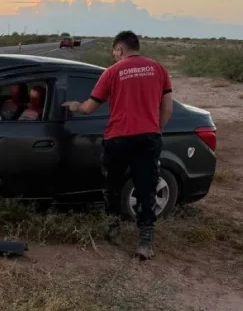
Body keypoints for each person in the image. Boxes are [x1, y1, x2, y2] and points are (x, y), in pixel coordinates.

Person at [62, 30, 173, 260]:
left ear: (120, 49)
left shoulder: (112, 72)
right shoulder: (159, 69)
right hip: (148, 138)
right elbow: (168, 108)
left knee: (112, 185)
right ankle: (144, 243)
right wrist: (155, 130)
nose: (114, 55)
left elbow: (90, 107)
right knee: (146, 189)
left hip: (118, 139)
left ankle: (113, 229)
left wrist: (74, 105)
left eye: (114, 51)